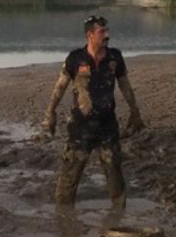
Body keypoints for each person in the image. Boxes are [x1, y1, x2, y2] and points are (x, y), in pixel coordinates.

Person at [42, 15, 145, 207]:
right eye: (102, 32)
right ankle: (64, 219)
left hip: (107, 126)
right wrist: (50, 114)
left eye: (107, 31)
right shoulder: (75, 58)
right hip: (80, 128)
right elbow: (60, 87)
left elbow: (125, 86)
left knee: (114, 173)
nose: (107, 35)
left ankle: (118, 215)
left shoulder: (115, 57)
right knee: (69, 177)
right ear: (90, 35)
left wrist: (135, 112)